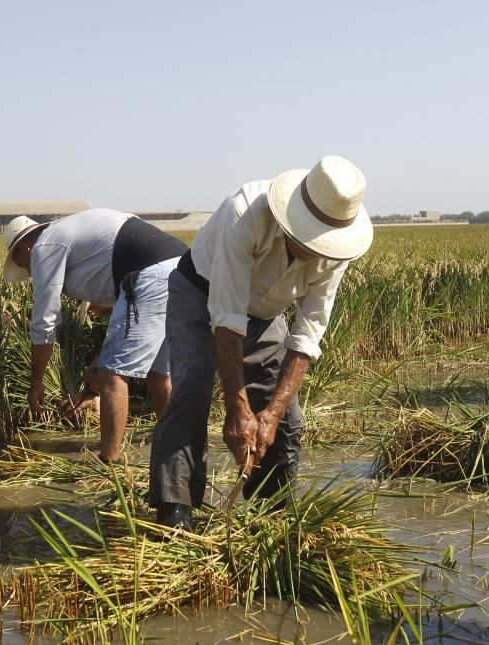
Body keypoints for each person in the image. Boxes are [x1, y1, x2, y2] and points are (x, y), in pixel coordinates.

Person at [148, 155, 374, 530]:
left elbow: (307, 333)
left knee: (287, 417)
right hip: (200, 293)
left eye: (323, 243)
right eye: (308, 238)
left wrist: (268, 414)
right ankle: (176, 510)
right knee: (194, 388)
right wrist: (238, 409)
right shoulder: (246, 212)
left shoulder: (337, 250)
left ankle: (272, 515)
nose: (315, 250)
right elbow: (226, 317)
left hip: (265, 313)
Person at [2, 209, 187, 461]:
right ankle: (175, 453)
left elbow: (44, 320)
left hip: (150, 274)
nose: (30, 271)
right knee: (158, 374)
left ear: (24, 248)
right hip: (178, 269)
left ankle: (109, 464)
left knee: (113, 375)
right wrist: (94, 377)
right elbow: (125, 315)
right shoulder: (71, 232)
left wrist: (36, 382)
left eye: (22, 264)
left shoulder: (45, 245)